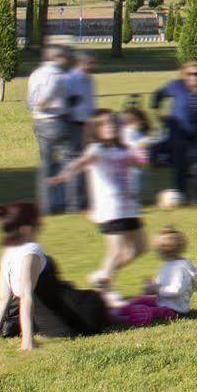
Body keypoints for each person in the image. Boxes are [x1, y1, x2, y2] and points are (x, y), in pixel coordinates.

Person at [0, 201, 108, 350]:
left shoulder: (8, 254)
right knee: (96, 303)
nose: (41, 226)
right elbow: (26, 297)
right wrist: (27, 342)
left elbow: (4, 300)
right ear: (27, 229)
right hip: (74, 317)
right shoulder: (30, 251)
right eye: (38, 223)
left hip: (49, 321)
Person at [48, 110, 149, 295]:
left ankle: (101, 276)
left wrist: (141, 153)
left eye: (112, 123)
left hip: (129, 207)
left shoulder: (123, 148)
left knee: (140, 248)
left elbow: (140, 163)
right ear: (96, 129)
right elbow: (80, 162)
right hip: (111, 209)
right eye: (104, 124)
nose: (110, 127)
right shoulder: (97, 150)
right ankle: (104, 291)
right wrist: (63, 175)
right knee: (116, 252)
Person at [25, 47, 82, 215]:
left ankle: (46, 206)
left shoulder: (35, 74)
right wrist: (45, 104)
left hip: (39, 123)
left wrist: (36, 107)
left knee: (46, 165)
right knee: (70, 161)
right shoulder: (58, 75)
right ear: (58, 58)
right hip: (57, 120)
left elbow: (30, 100)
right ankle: (73, 204)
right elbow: (51, 96)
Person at [150, 61, 197, 205]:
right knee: (179, 163)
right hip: (178, 131)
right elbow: (158, 95)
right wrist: (158, 113)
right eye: (190, 74)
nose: (194, 77)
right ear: (184, 74)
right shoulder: (176, 86)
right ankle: (180, 195)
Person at [110, 226, 197, 327]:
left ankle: (120, 318)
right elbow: (196, 282)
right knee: (140, 300)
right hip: (162, 302)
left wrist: (157, 288)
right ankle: (119, 311)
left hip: (174, 310)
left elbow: (175, 291)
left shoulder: (179, 268)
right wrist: (152, 286)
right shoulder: (171, 264)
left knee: (147, 311)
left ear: (164, 251)